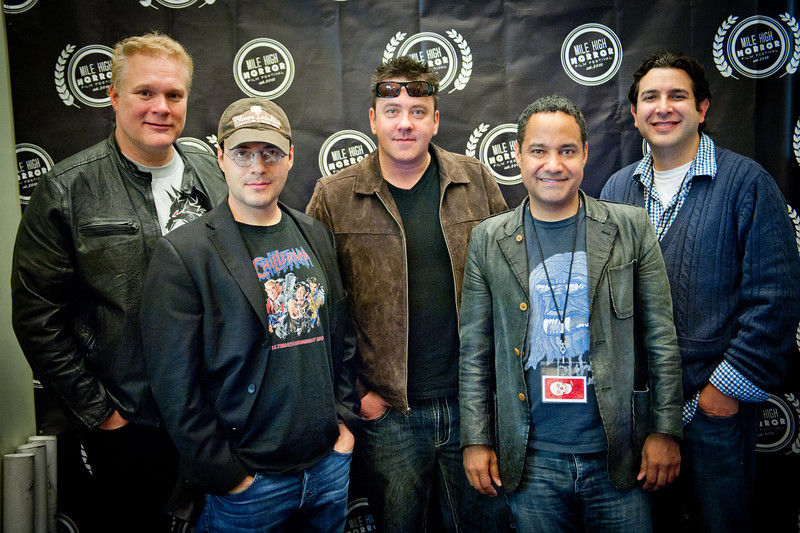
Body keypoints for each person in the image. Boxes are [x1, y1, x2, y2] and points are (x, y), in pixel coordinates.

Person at [10, 32, 227, 532]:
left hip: (217, 418)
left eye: (174, 95)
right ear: (113, 96)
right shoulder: (67, 189)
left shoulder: (215, 178)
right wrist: (103, 415)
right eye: (144, 92)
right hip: (133, 423)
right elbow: (37, 315)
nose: (161, 107)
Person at [459, 95, 684, 532]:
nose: (553, 165)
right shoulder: (489, 239)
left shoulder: (630, 227)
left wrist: (665, 429)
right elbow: (474, 352)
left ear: (584, 153)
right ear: (519, 156)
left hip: (620, 452)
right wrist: (476, 438)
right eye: (538, 151)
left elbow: (662, 338)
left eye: (566, 151)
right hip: (532, 457)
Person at [306, 56, 511, 532]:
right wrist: (360, 394)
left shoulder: (476, 181)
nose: (405, 122)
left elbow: (509, 284)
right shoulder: (334, 196)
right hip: (389, 415)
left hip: (473, 407)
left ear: (435, 120)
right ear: (372, 120)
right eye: (392, 109)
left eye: (418, 110)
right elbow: (313, 309)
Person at [600, 50, 800, 532]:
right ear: (634, 113)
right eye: (650, 97)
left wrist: (720, 394)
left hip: (714, 412)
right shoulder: (617, 189)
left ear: (702, 108)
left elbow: (774, 298)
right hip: (639, 415)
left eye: (677, 96)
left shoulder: (746, 183)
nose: (663, 107)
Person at [140, 97, 360, 532]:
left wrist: (344, 427)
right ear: (220, 157)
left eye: (270, 152)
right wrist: (228, 475)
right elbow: (174, 386)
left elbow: (340, 338)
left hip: (326, 469)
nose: (257, 166)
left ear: (290, 156)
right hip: (247, 487)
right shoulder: (185, 253)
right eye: (242, 152)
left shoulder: (313, 233)